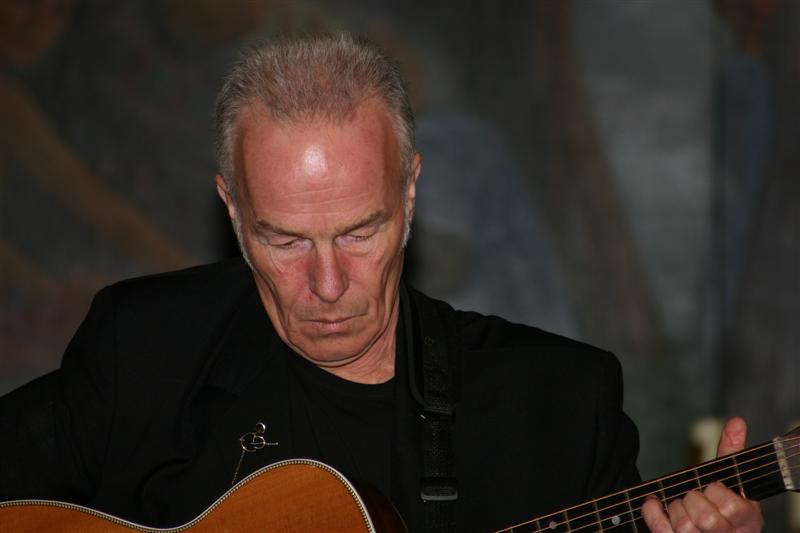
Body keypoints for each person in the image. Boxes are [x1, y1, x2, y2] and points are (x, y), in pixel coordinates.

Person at [0, 34, 763, 533]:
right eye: (285, 239)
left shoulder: (557, 406)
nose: (328, 283)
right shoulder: (143, 350)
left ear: (410, 193)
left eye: (360, 232)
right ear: (232, 209)